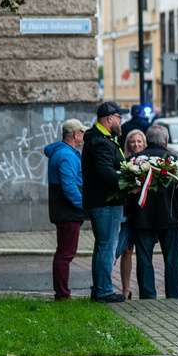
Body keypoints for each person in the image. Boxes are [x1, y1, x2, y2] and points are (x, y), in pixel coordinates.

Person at [127, 126, 178, 299]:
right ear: (166, 140)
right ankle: (172, 295)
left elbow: (126, 191)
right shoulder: (174, 160)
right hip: (170, 217)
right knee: (172, 259)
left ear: (147, 140)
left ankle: (148, 295)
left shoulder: (135, 160)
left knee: (144, 258)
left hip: (141, 218)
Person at [82, 101, 129, 303]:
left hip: (100, 202)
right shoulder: (101, 141)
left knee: (102, 246)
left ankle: (100, 289)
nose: (121, 121)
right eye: (120, 117)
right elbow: (105, 172)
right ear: (110, 118)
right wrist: (128, 183)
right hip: (105, 203)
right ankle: (103, 291)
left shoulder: (98, 138)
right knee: (107, 246)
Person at [44, 119, 89, 301]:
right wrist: (85, 205)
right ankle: (62, 295)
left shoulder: (62, 152)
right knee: (65, 254)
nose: (83, 137)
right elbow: (69, 187)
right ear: (76, 134)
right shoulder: (67, 155)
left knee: (63, 252)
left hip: (64, 210)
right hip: (68, 212)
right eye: (82, 133)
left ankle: (61, 293)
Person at [115, 129, 147, 299]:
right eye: (132, 142)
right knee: (126, 250)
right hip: (128, 213)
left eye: (139, 142)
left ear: (145, 143)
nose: (135, 145)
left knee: (143, 250)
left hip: (144, 214)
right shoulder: (124, 163)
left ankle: (145, 289)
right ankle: (126, 289)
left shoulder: (150, 162)